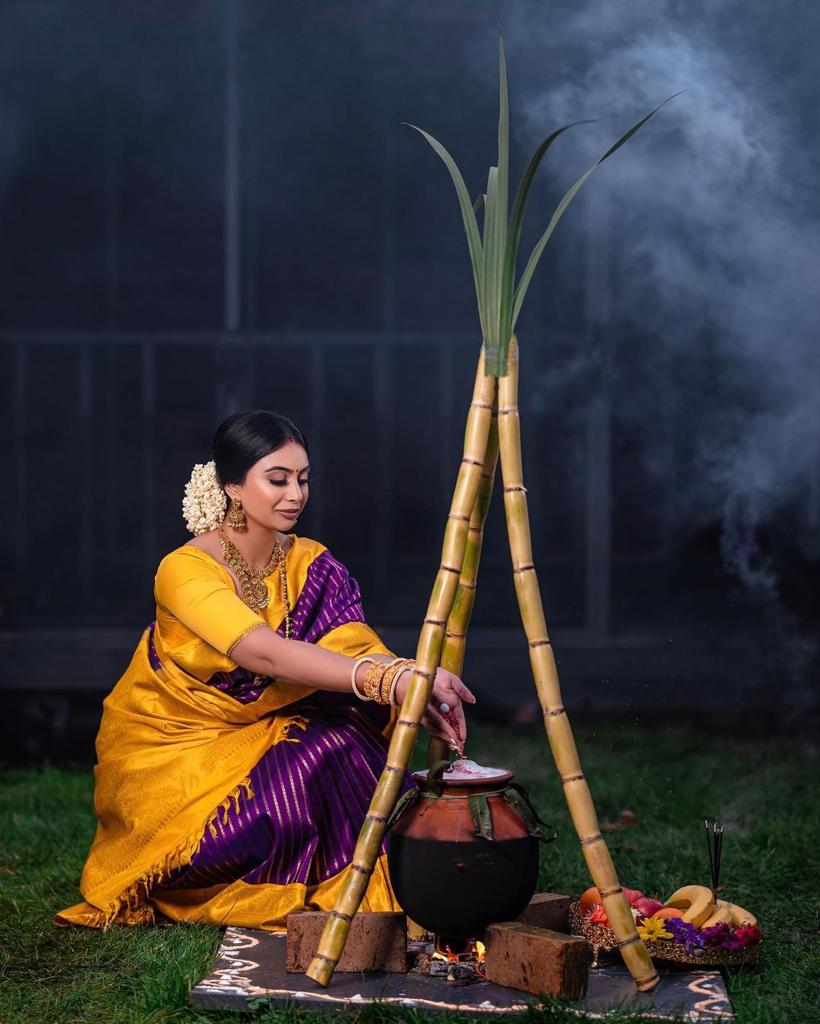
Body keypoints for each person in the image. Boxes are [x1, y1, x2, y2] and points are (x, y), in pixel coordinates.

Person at [55, 410, 474, 931]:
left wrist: (412, 688)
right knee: (314, 748)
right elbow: (263, 654)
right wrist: (389, 681)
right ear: (232, 486)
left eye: (303, 479)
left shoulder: (311, 562)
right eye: (277, 479)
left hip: (276, 734)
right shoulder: (184, 570)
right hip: (184, 756)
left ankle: (355, 879)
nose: (295, 494)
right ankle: (249, 880)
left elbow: (351, 644)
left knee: (336, 738)